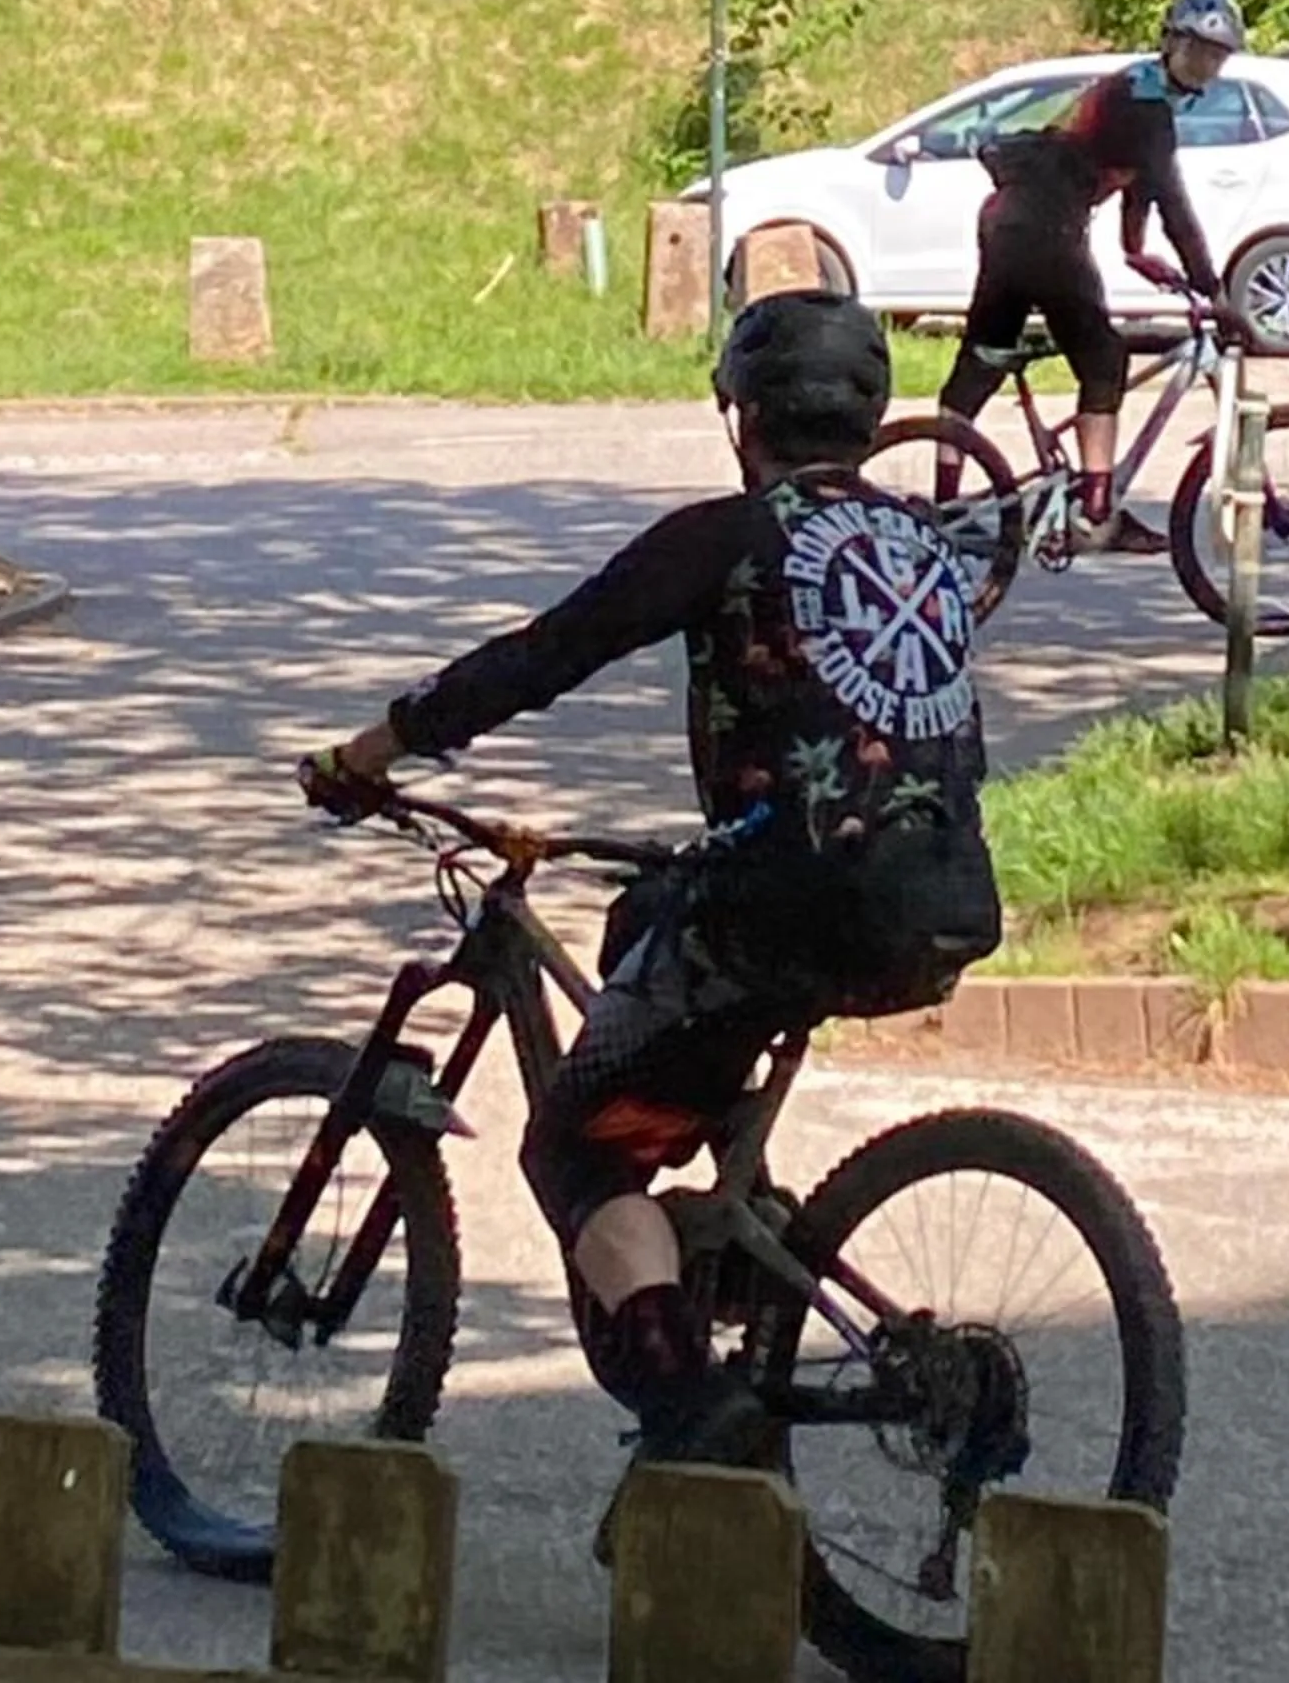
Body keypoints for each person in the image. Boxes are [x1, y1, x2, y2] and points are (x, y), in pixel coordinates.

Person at [299, 289, 1001, 1515]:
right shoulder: (927, 549)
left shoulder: (728, 536)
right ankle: (734, 1242)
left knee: (576, 1144)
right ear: (871, 417)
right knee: (652, 933)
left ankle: (690, 1403)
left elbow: (546, 655)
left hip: (788, 898)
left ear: (743, 418)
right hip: (936, 900)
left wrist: (379, 749)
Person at [936, 0, 1247, 556]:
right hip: (1049, 232)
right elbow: (1172, 203)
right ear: (1171, 42)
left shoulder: (1133, 86)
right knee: (1105, 357)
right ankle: (1097, 514)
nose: (1206, 64)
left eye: (1217, 57)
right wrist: (1215, 293)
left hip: (1006, 222)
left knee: (980, 362)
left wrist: (1134, 250)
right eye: (1198, 50)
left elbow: (1133, 181)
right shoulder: (1149, 109)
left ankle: (945, 505)